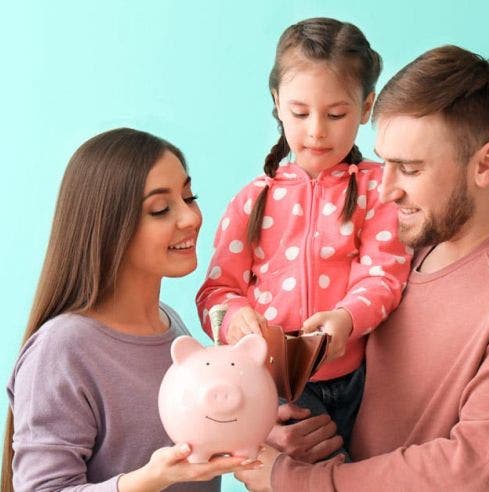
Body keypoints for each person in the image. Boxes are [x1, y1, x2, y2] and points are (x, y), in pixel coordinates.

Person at [235, 45, 489, 491]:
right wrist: (279, 421)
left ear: (486, 164)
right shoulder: (402, 248)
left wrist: (293, 479)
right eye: (384, 162)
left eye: (409, 169)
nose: (386, 190)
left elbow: (475, 472)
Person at [0, 128, 260, 492]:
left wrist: (269, 420)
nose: (190, 218)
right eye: (160, 209)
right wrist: (150, 479)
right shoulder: (62, 348)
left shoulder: (172, 328)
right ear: (108, 226)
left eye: (189, 196)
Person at [195, 17, 411, 453]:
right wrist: (235, 319)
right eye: (299, 112)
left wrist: (345, 320)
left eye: (336, 114)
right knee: (297, 474)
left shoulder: (377, 189)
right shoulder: (253, 200)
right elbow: (216, 291)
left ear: (367, 107)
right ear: (277, 102)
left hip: (365, 380)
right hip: (275, 384)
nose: (316, 130)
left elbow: (384, 276)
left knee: (368, 475)